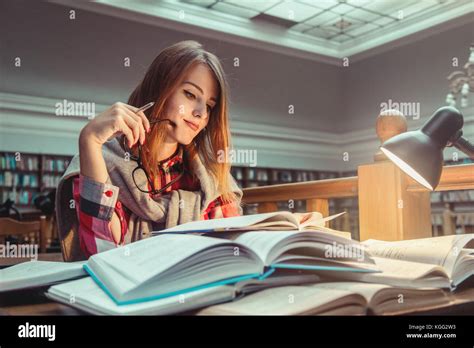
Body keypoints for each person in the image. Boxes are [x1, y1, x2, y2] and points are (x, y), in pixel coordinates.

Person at [56, 41, 243, 261]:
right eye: (190, 95)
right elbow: (102, 252)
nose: (201, 113)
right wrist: (89, 140)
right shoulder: (98, 162)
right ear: (159, 87)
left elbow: (235, 254)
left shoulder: (215, 180)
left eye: (209, 105)